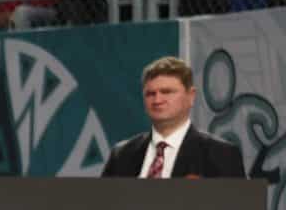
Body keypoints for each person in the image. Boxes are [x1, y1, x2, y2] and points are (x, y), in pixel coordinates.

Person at [101, 57, 247, 179]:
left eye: (166, 92)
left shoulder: (221, 155)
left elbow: (236, 205)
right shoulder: (121, 155)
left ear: (191, 96)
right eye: (150, 94)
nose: (157, 100)